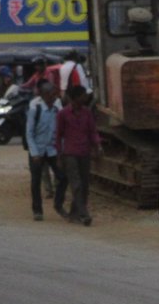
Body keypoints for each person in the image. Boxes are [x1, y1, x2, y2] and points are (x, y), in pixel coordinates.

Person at [56, 84, 102, 225]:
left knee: (85, 184)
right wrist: (59, 155)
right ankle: (84, 214)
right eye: (83, 95)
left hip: (84, 152)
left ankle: (74, 212)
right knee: (76, 184)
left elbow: (92, 131)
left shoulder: (87, 113)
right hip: (70, 153)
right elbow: (58, 135)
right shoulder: (63, 114)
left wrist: (97, 146)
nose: (86, 97)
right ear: (76, 98)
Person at [26, 79, 66, 221]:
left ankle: (58, 204)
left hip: (52, 150)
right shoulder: (34, 109)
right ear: (43, 95)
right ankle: (37, 210)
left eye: (54, 93)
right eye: (50, 94)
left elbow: (61, 131)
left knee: (62, 177)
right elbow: (29, 133)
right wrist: (35, 153)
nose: (53, 96)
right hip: (37, 150)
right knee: (36, 181)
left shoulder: (57, 108)